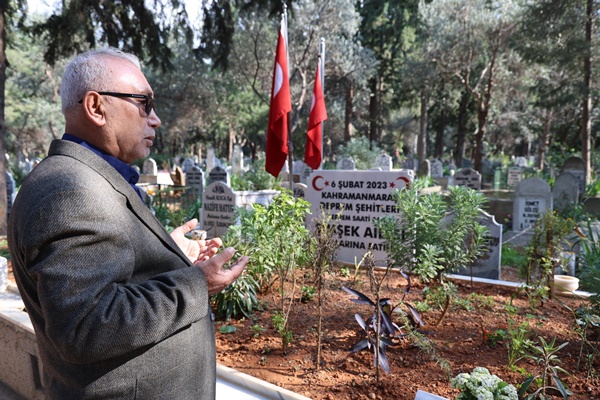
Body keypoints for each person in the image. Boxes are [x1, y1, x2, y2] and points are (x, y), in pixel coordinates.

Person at [7, 47, 249, 400]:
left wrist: (165, 255)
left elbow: (103, 275)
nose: (156, 119)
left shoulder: (86, 178)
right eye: (144, 103)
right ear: (96, 107)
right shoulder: (70, 192)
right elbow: (86, 326)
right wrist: (198, 284)